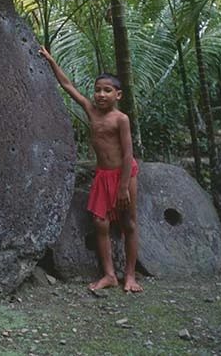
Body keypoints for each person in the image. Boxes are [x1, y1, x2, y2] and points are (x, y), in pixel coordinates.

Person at [39, 47, 143, 293]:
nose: (101, 94)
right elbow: (67, 86)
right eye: (98, 90)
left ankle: (130, 275)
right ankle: (109, 275)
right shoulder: (91, 111)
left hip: (124, 175)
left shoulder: (121, 119)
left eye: (107, 90)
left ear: (118, 94)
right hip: (102, 175)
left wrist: (123, 187)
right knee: (100, 223)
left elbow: (128, 154)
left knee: (128, 224)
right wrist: (52, 60)